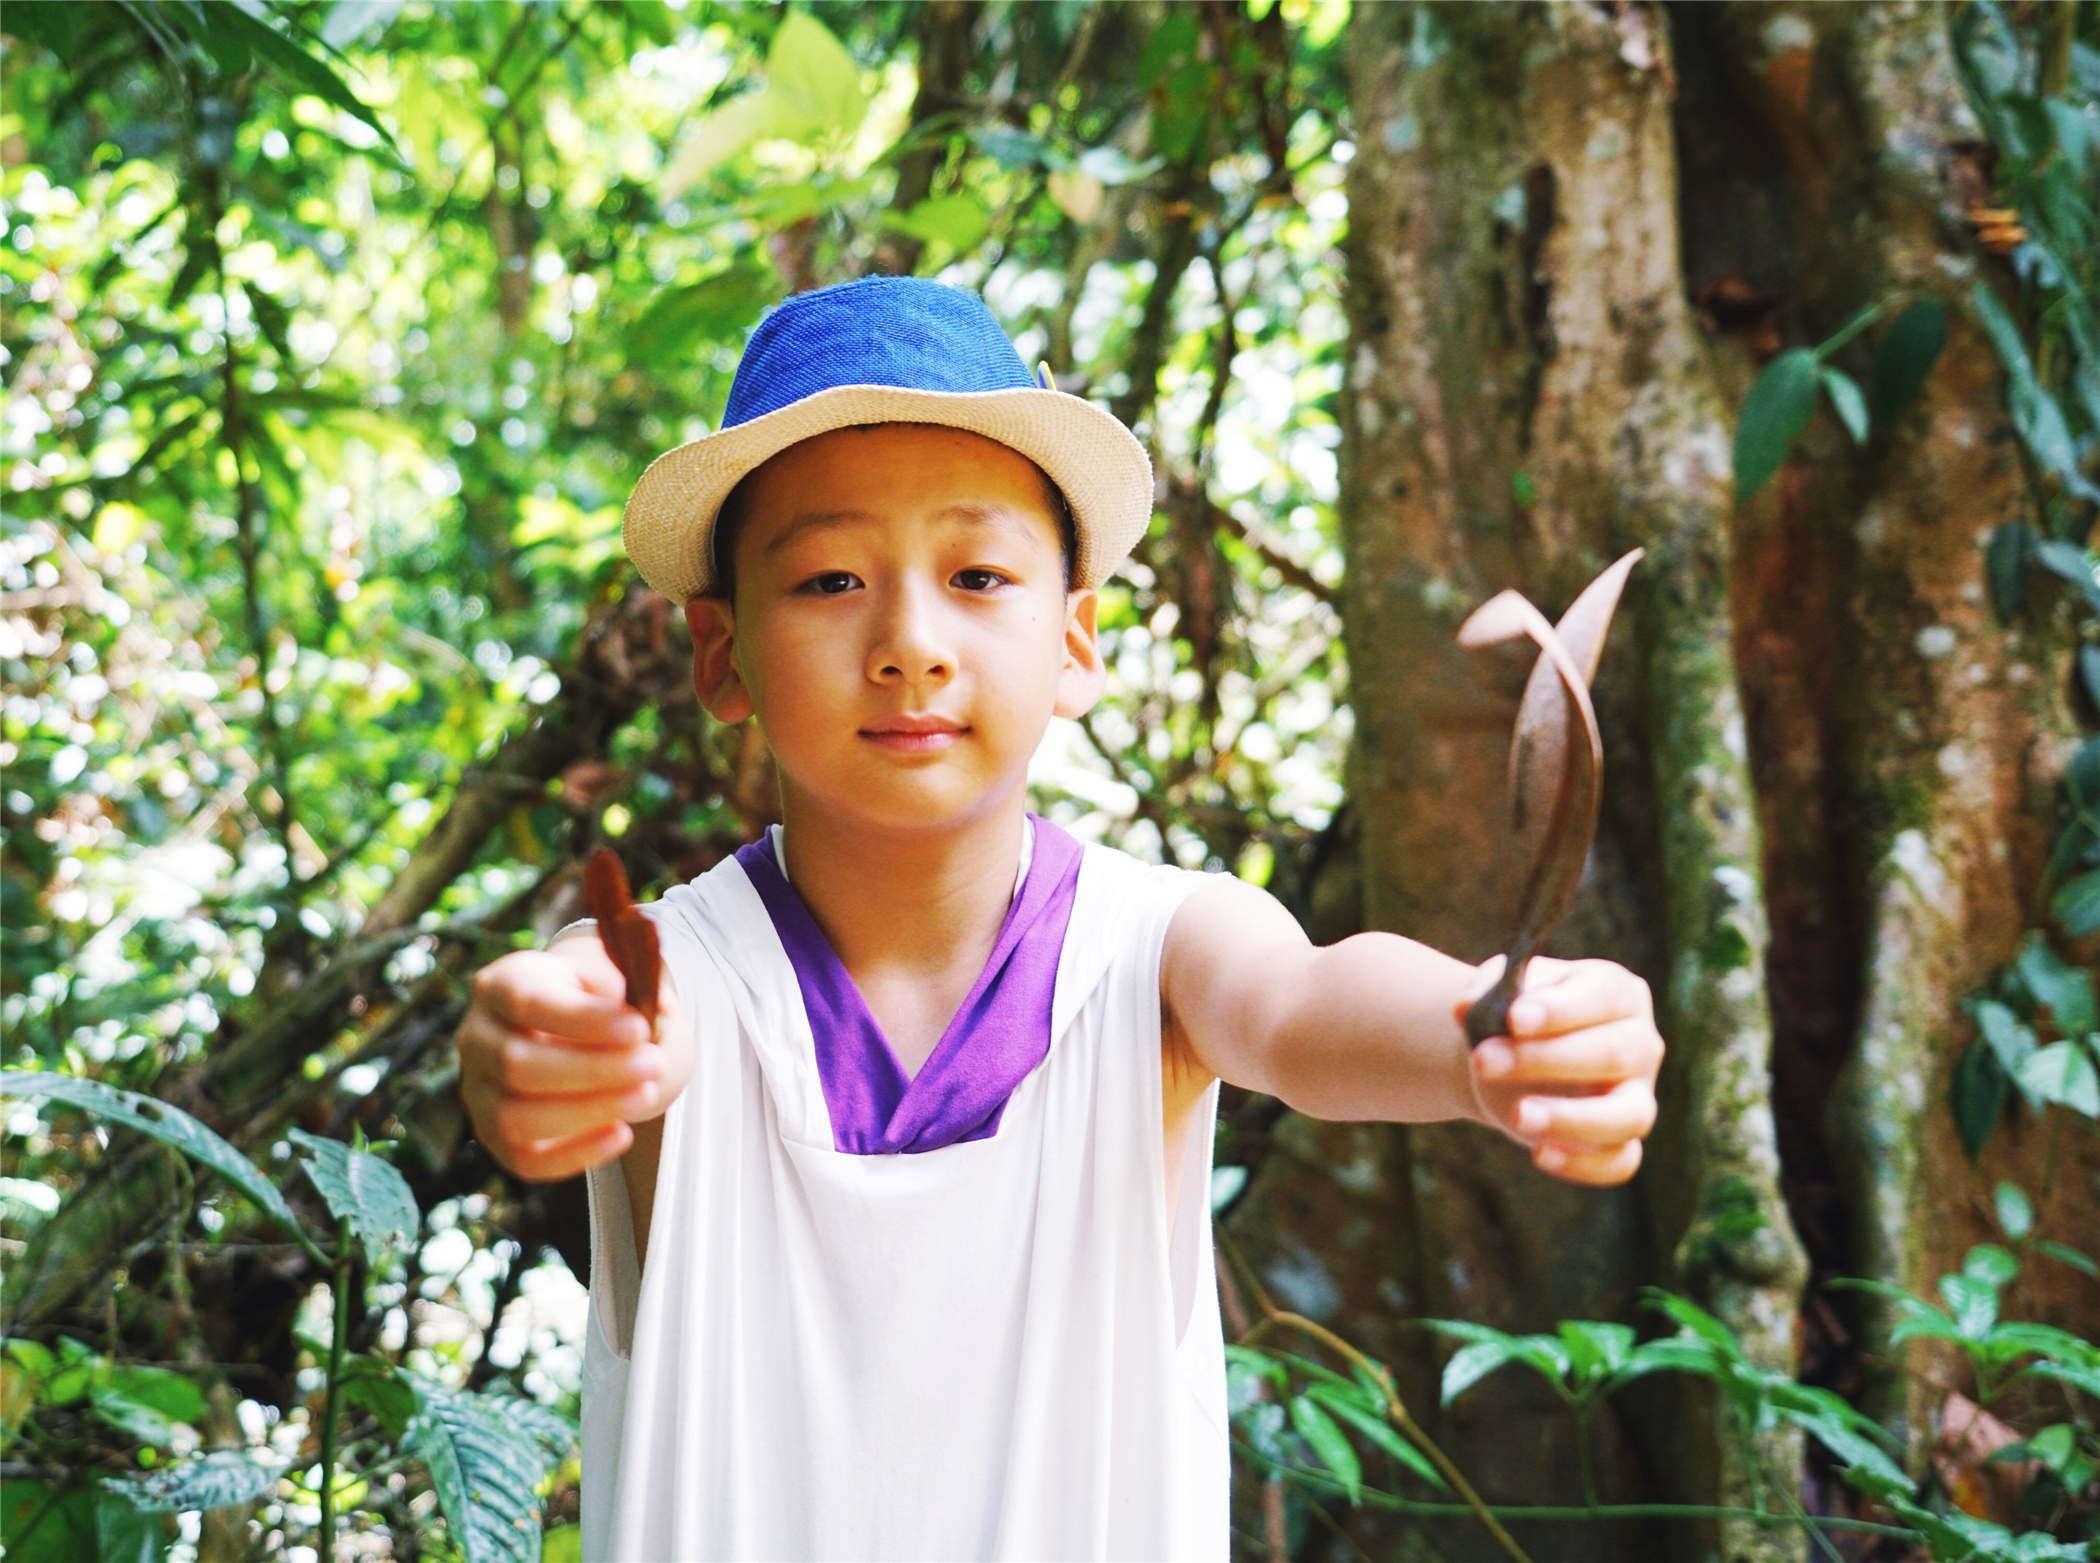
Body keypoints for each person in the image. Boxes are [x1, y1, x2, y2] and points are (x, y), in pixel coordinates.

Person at [454, 275, 1664, 1561]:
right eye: (826, 581)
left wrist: (1485, 1029)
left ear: (1078, 642)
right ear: (719, 654)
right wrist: (548, 1046)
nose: (911, 641)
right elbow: (598, 1010)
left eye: (978, 573)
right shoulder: (678, 975)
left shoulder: (1157, 949)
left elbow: (1301, 1007)